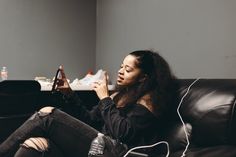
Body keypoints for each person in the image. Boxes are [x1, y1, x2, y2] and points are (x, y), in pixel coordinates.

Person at [0, 50, 178, 157]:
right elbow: (89, 120)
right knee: (33, 144)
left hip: (118, 152)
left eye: (128, 69)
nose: (120, 71)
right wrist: (69, 94)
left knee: (48, 114)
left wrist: (105, 98)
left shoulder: (150, 100)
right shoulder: (119, 95)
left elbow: (123, 133)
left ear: (144, 77)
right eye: (121, 66)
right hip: (97, 145)